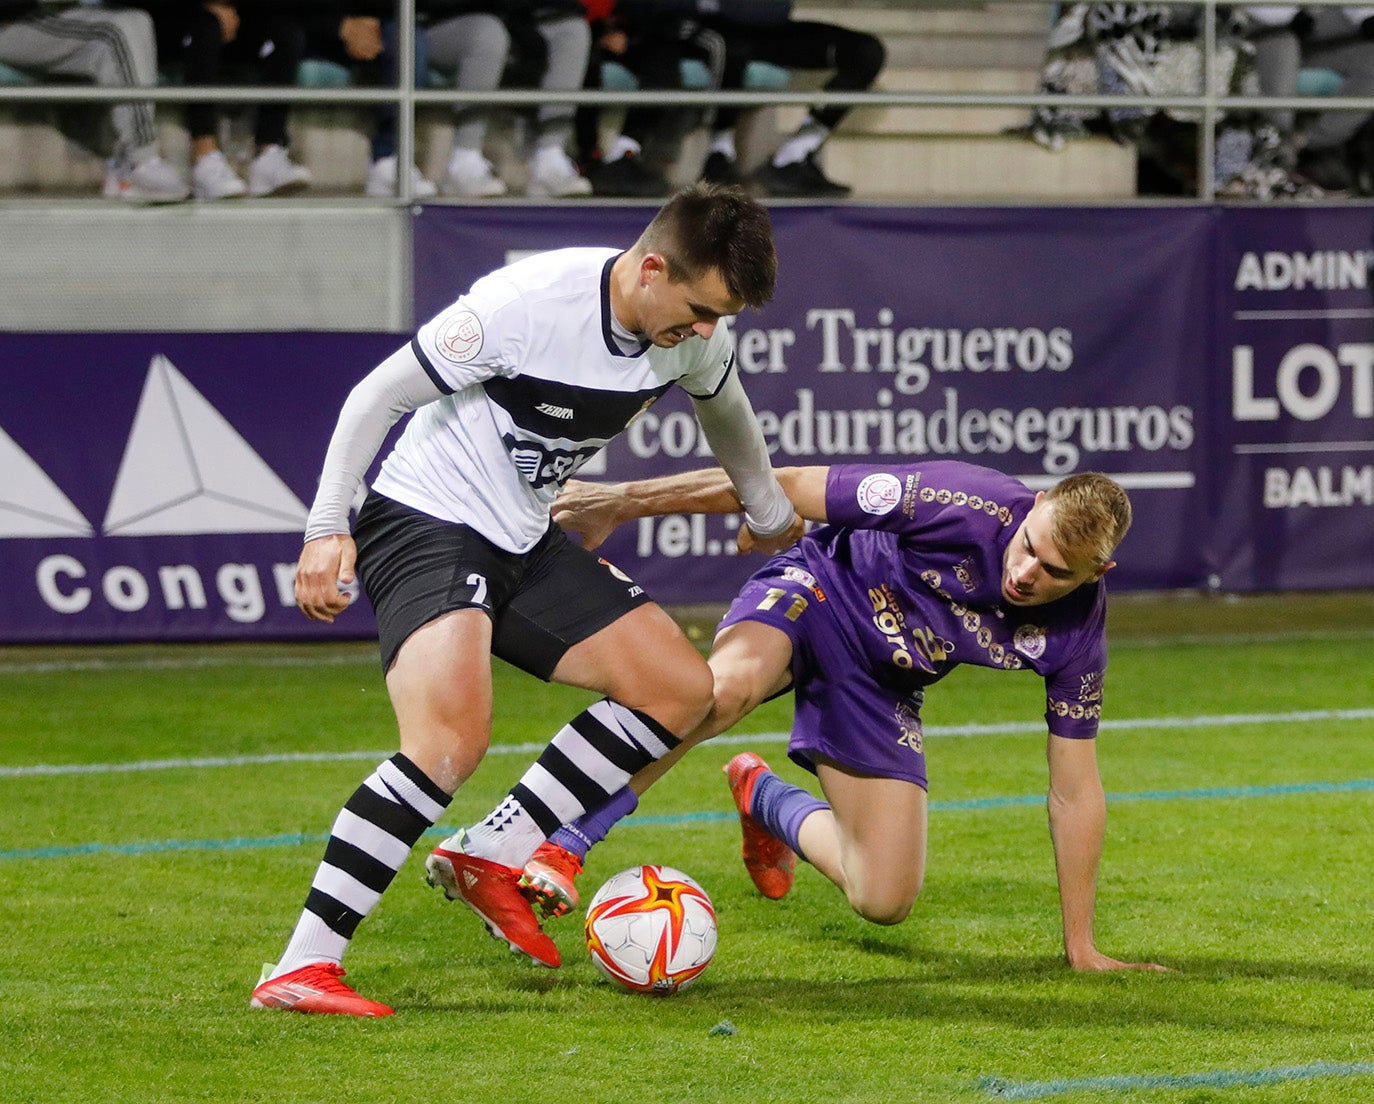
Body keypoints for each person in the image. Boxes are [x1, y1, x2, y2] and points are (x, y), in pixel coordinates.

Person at [249, 183, 804, 1017]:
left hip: (523, 538)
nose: (705, 332)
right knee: (448, 743)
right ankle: (301, 967)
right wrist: (327, 526)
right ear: (650, 268)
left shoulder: (690, 338)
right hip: (425, 522)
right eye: (697, 310)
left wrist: (765, 509)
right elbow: (377, 395)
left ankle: (493, 849)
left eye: (719, 318)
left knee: (681, 691)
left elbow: (728, 411)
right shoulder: (525, 304)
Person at [510, 460, 1167, 973]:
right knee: (724, 691)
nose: (1026, 574)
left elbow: (1074, 791)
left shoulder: (1078, 637)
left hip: (883, 681)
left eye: (1056, 573)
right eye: (1028, 546)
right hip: (818, 589)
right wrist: (621, 501)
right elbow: (786, 485)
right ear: (1038, 504)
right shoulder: (958, 500)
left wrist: (1081, 944)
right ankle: (570, 842)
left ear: (1098, 572)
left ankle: (760, 795)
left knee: (884, 898)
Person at [684, 0, 885, 197]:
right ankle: (719, 152)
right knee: (730, 46)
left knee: (866, 52)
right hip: (715, 28)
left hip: (771, 31)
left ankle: (793, 155)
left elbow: (770, 11)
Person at [0, 0, 188, 201]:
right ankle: (139, 160)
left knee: (136, 20)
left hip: (48, 17)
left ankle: (124, 166)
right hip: (12, 24)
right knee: (115, 30)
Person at [143, 1, 313, 200]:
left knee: (285, 31)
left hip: (235, 15)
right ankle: (204, 159)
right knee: (206, 26)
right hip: (175, 16)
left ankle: (268, 154)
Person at [426, 0, 592, 197]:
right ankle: (463, 161)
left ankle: (549, 159)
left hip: (517, 15)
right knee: (488, 33)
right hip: (443, 18)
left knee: (573, 30)